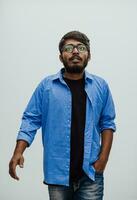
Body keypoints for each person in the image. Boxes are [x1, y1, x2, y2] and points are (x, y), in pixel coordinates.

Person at [9, 30, 116, 200]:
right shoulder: (46, 87)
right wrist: (18, 152)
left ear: (89, 56)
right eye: (69, 48)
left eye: (81, 48)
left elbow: (107, 123)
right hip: (57, 174)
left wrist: (103, 160)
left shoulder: (100, 86)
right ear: (61, 57)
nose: (75, 52)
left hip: (91, 174)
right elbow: (30, 119)